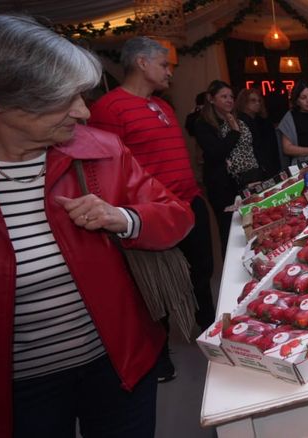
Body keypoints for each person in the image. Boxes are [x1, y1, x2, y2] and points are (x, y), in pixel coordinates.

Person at [0, 15, 194, 437]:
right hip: (15, 392)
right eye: (63, 98)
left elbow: (177, 216)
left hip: (119, 366)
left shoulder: (101, 150)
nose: (83, 111)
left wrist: (125, 218)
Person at [88, 36, 217, 381]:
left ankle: (213, 334)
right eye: (164, 64)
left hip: (188, 204)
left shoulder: (164, 107)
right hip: (149, 215)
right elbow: (105, 168)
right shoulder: (110, 109)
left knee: (202, 271)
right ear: (142, 63)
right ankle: (160, 359)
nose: (170, 72)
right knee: (153, 290)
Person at [194, 80, 253, 248]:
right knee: (228, 228)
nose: (229, 100)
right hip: (220, 185)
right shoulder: (202, 124)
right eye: (224, 96)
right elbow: (217, 153)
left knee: (248, 222)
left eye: (231, 97)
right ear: (211, 99)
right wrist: (234, 133)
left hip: (242, 181)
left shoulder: (235, 119)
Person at [237, 88, 281, 179]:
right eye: (253, 100)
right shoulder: (239, 123)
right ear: (244, 102)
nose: (257, 103)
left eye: (259, 101)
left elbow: (273, 148)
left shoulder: (264, 122)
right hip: (250, 170)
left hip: (269, 167)